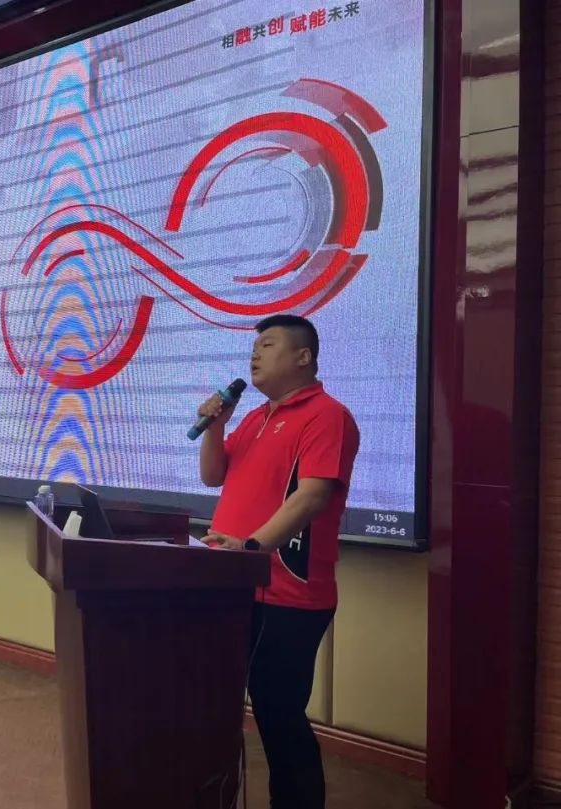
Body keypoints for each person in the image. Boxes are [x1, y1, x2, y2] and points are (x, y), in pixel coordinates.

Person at [196, 314, 359, 809]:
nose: (256, 353)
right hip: (234, 585)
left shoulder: (326, 415)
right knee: (216, 703)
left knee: (278, 713)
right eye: (255, 346)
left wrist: (250, 549)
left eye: (268, 345)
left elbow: (311, 497)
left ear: (303, 357)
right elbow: (213, 476)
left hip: (286, 592)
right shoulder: (254, 417)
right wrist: (216, 426)